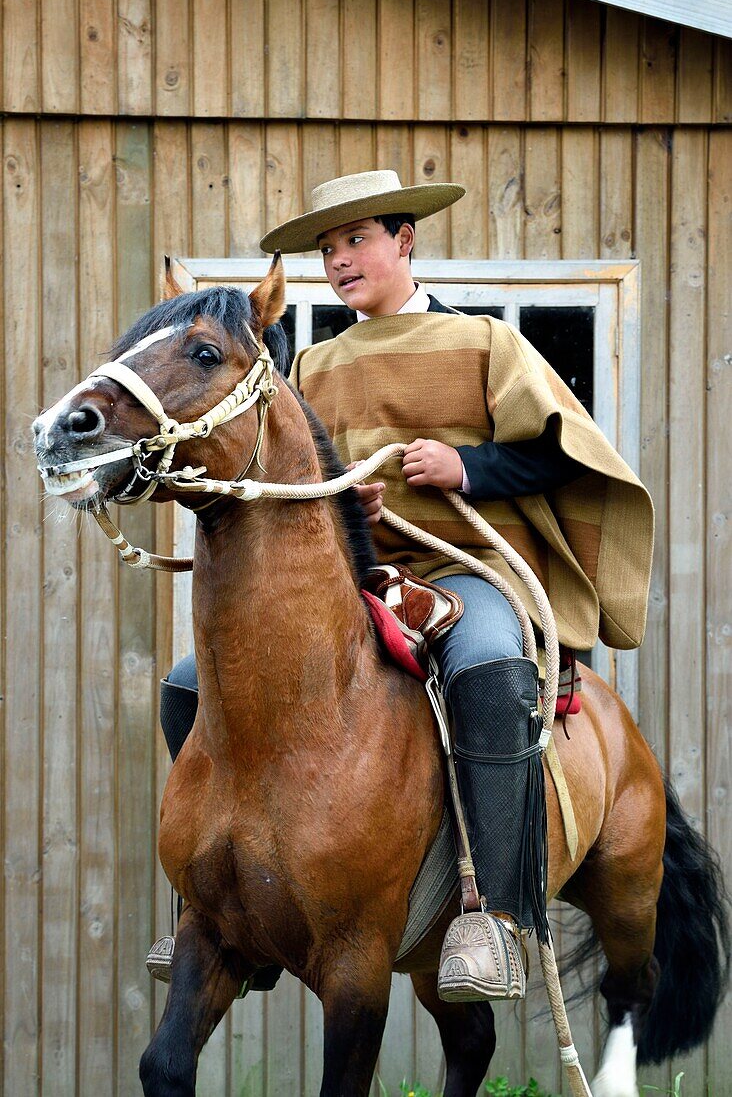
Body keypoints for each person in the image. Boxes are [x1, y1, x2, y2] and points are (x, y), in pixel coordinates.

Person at [150, 170, 654, 1002]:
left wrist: (470, 465)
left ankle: (486, 919)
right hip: (353, 581)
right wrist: (341, 496)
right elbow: (286, 477)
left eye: (357, 240)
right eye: (327, 248)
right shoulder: (312, 364)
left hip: (469, 573)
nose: (340, 260)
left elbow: (567, 450)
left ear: (404, 241)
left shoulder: (487, 346)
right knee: (186, 683)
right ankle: (211, 908)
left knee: (489, 665)